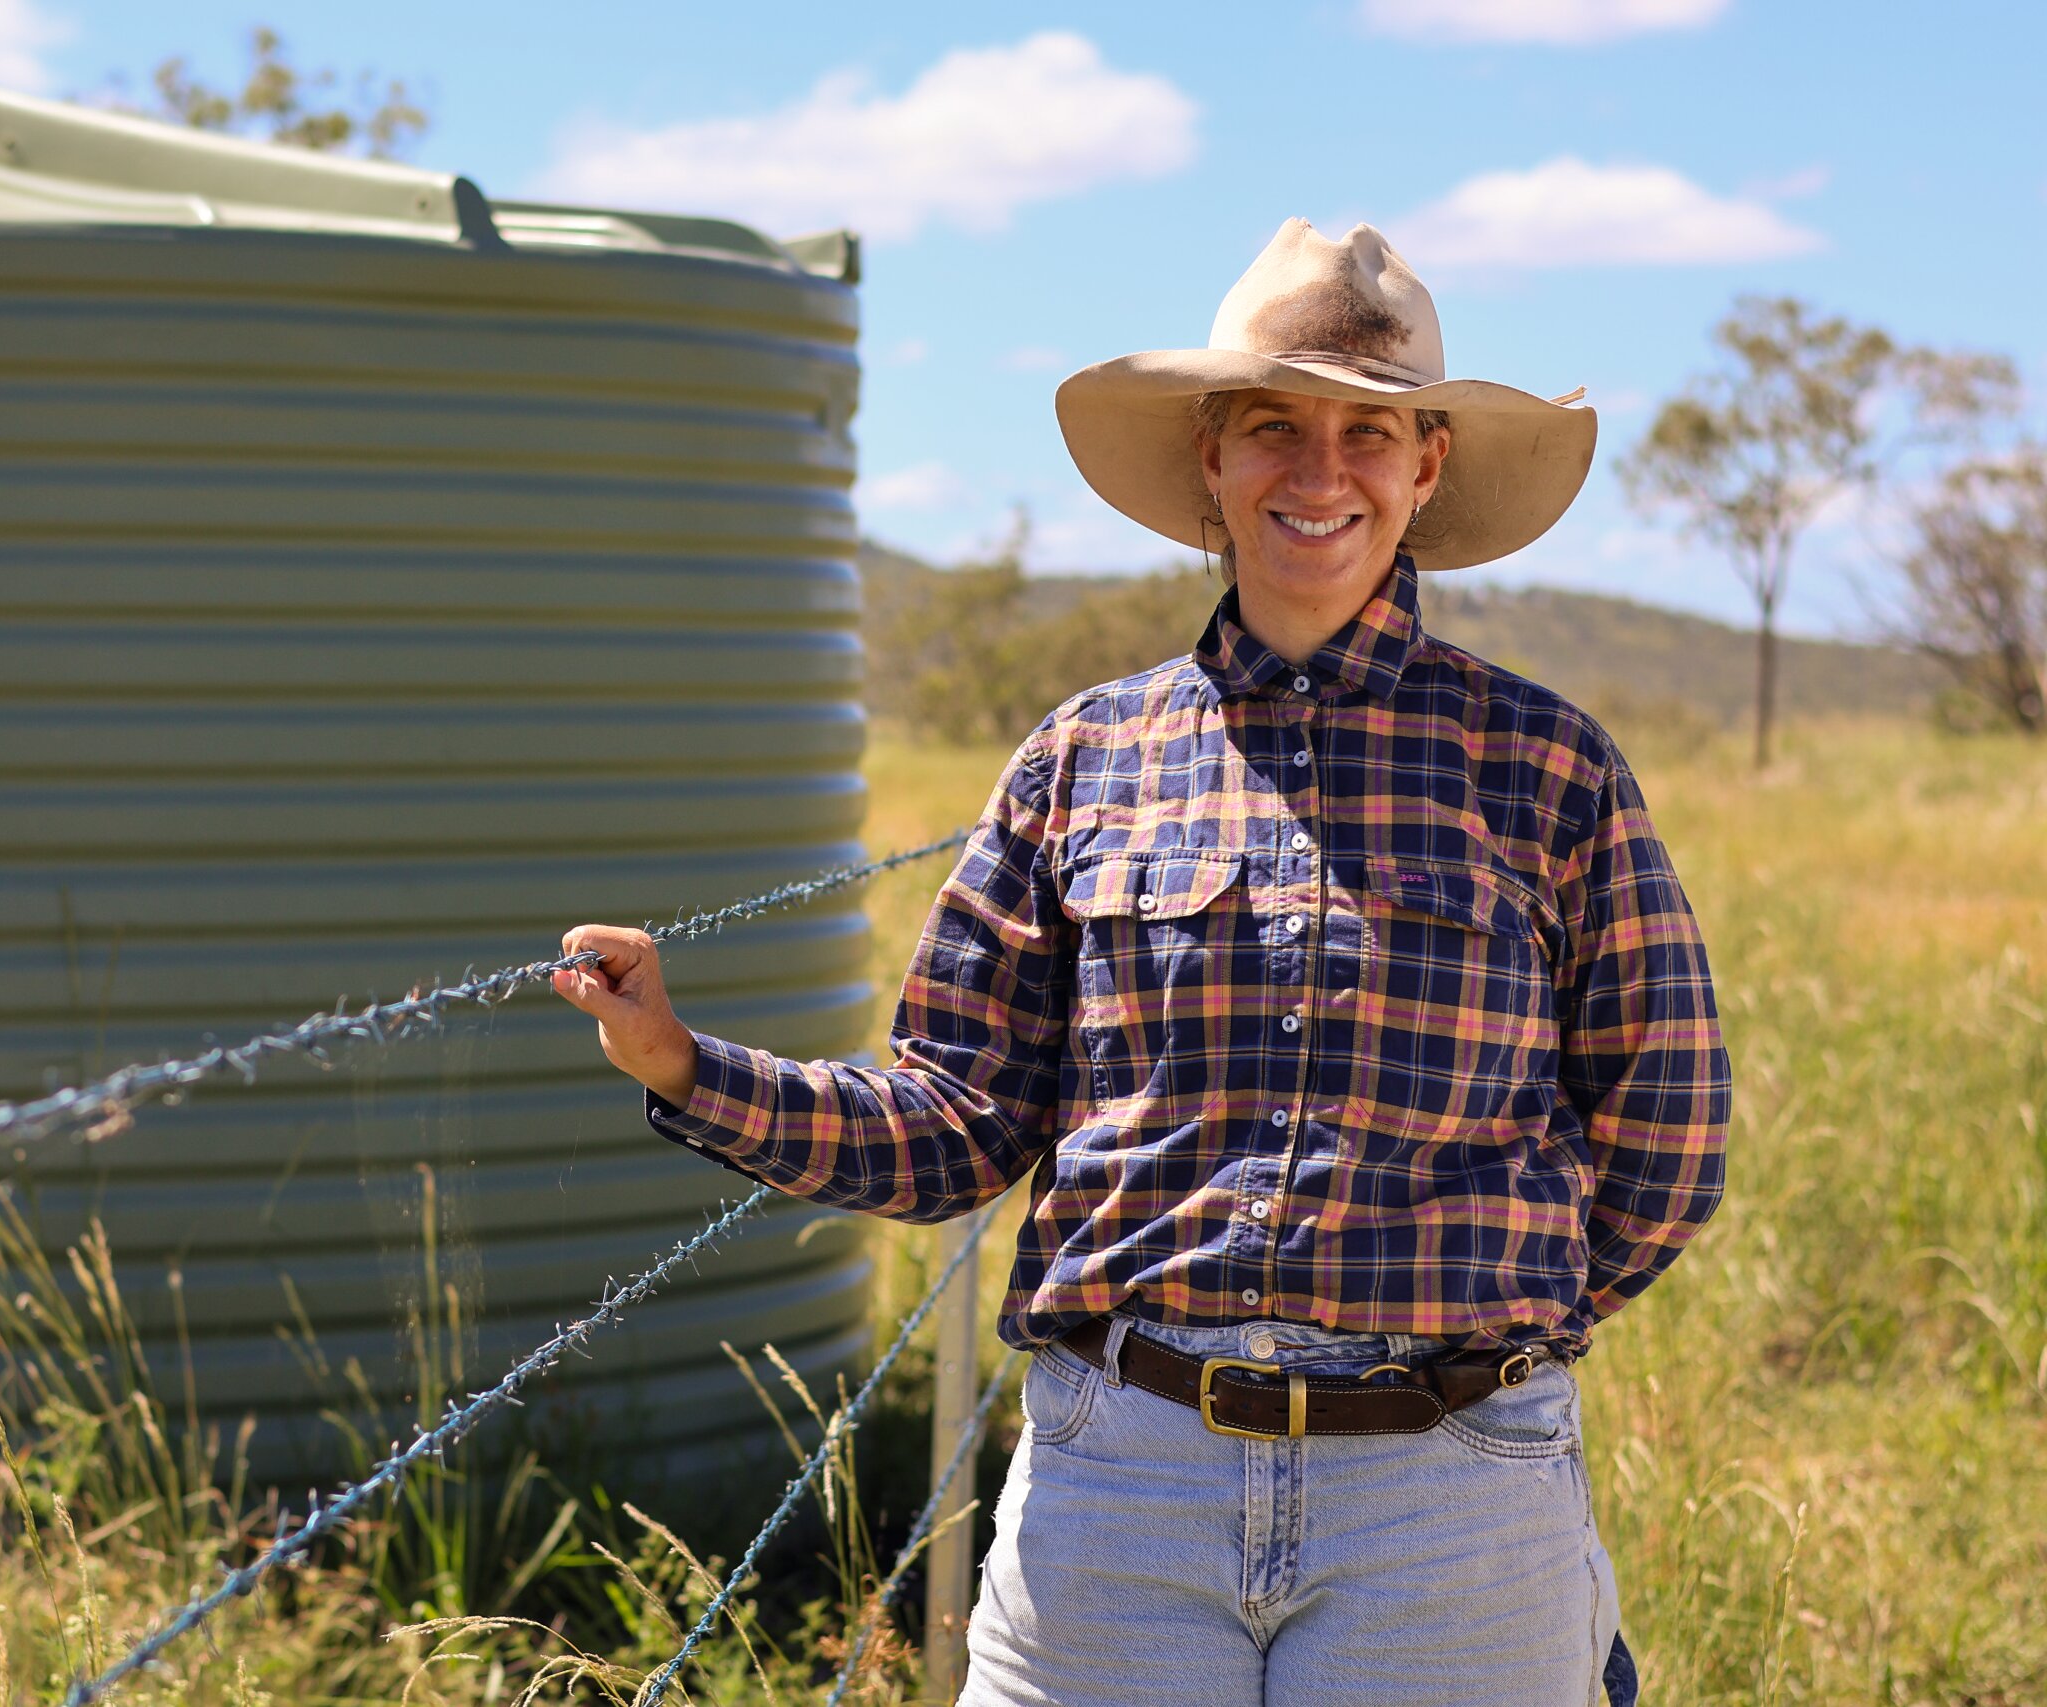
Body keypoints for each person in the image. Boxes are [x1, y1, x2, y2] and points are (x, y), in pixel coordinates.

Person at [552, 218, 1727, 1707]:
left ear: (1426, 466)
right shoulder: (1084, 759)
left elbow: (1668, 1136)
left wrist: (1488, 1330)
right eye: (1272, 426)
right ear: (1209, 458)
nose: (1320, 473)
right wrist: (681, 1062)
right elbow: (958, 1120)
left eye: (1369, 430)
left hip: (1445, 1500)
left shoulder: (1544, 767)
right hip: (1123, 1487)